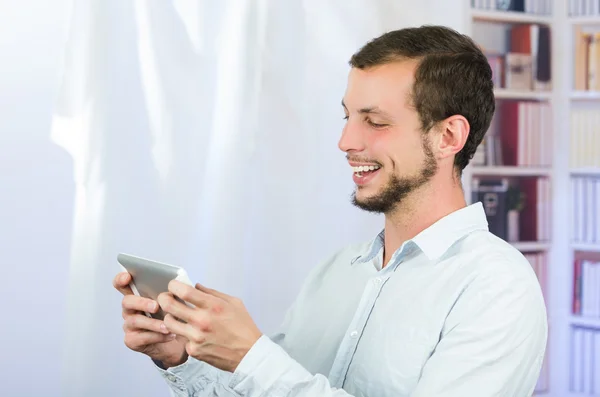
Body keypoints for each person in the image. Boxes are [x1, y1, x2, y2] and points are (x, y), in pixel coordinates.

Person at [113, 25, 548, 396]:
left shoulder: (496, 286)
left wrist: (252, 356)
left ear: (448, 136)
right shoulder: (336, 272)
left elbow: (268, 376)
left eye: (375, 122)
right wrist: (180, 356)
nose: (346, 142)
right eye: (347, 117)